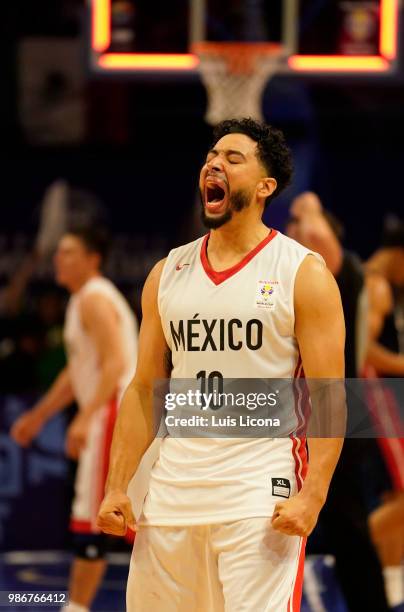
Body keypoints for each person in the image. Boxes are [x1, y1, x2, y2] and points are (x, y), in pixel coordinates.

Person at [97, 118, 345, 611]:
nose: (214, 164)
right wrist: (116, 486)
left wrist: (313, 495)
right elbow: (145, 389)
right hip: (171, 494)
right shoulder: (167, 272)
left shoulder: (301, 271)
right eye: (212, 156)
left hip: (259, 495)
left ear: (263, 187)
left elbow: (329, 394)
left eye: (233, 159)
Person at [10, 226, 138, 612]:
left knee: (101, 518)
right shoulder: (82, 299)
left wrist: (85, 417)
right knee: (111, 518)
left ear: (92, 260)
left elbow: (115, 363)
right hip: (109, 411)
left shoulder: (95, 299)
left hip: (114, 412)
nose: (57, 259)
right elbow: (75, 373)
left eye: (68, 252)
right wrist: (39, 416)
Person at [287, 192, 390, 611]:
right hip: (302, 417)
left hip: (337, 417)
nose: (291, 236)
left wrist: (307, 207)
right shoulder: (291, 283)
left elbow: (316, 236)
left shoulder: (340, 273)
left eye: (298, 231)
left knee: (349, 534)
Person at [364, 222, 404, 611]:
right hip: (379, 401)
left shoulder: (372, 280)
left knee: (396, 497)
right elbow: (361, 351)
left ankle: (391, 584)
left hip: (382, 400)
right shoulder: (376, 285)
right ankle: (356, 557)